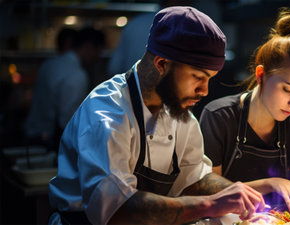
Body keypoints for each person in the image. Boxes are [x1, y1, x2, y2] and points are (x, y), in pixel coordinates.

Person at [48, 6, 265, 225]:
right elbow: (116, 210)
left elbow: (195, 178)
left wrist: (237, 194)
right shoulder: (107, 113)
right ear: (162, 64)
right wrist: (211, 204)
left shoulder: (180, 114)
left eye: (209, 79)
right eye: (198, 76)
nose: (205, 90)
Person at [199, 7, 290, 216]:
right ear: (261, 75)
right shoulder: (219, 116)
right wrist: (271, 183)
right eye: (288, 90)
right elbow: (208, 188)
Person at [24, 27, 104, 150]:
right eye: (98, 51)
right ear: (88, 46)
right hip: (49, 141)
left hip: (32, 133)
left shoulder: (49, 64)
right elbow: (68, 119)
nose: (98, 57)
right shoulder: (77, 74)